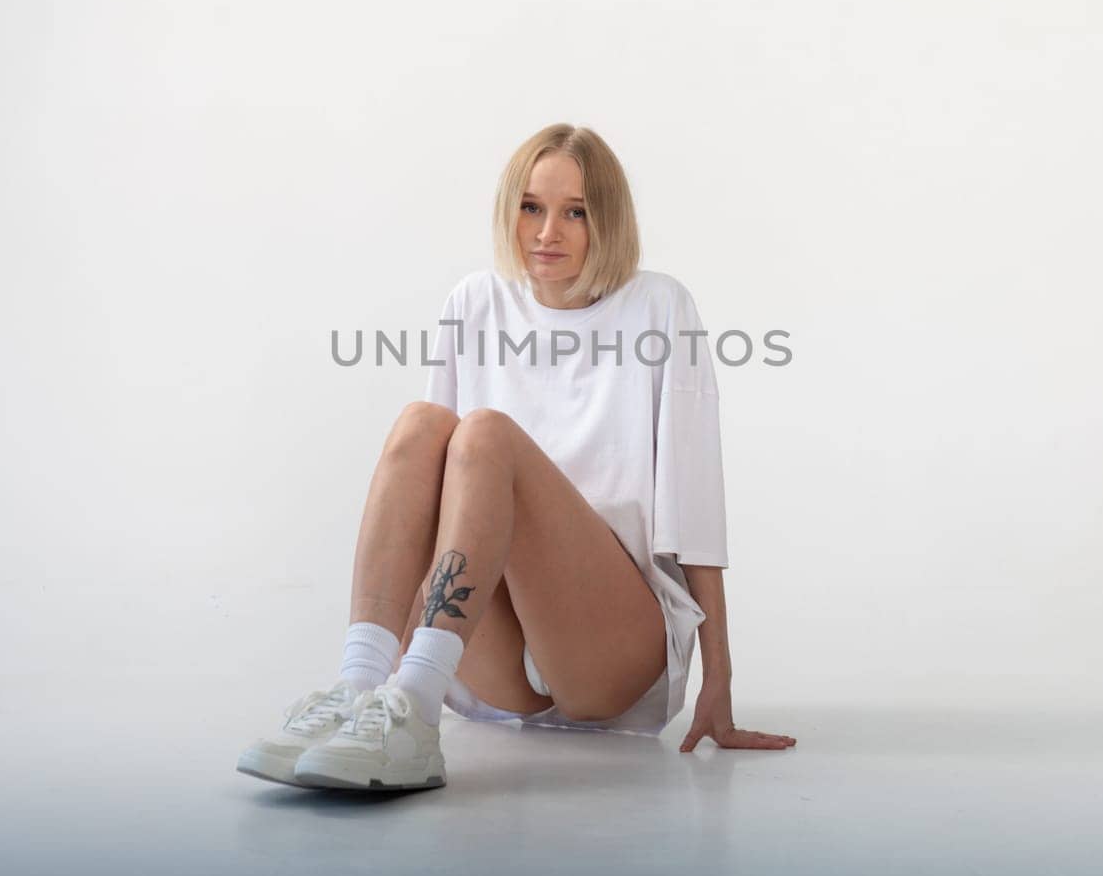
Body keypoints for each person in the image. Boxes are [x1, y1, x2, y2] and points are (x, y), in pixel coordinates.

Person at [237, 123, 796, 791]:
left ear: (607, 220)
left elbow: (694, 503)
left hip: (609, 649)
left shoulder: (659, 308)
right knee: (423, 425)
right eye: (531, 207)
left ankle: (410, 710)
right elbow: (428, 500)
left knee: (486, 435)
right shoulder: (474, 302)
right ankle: (367, 691)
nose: (546, 233)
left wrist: (719, 682)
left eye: (575, 212)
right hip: (491, 655)